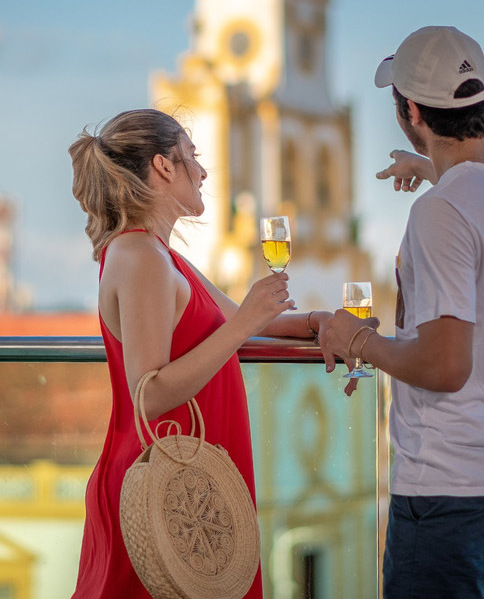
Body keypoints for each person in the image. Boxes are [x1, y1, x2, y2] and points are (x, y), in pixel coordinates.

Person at [319, 26, 484, 598]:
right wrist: (427, 168)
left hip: (449, 495)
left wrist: (356, 340)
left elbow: (446, 366)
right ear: (482, 103)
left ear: (412, 111)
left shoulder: (440, 211)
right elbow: (477, 198)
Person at [68, 108, 330, 599]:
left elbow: (252, 321)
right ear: (165, 166)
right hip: (166, 490)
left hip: (192, 483)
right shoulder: (142, 257)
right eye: (194, 158)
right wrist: (247, 322)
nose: (204, 172)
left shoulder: (161, 255)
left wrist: (323, 323)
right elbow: (151, 394)